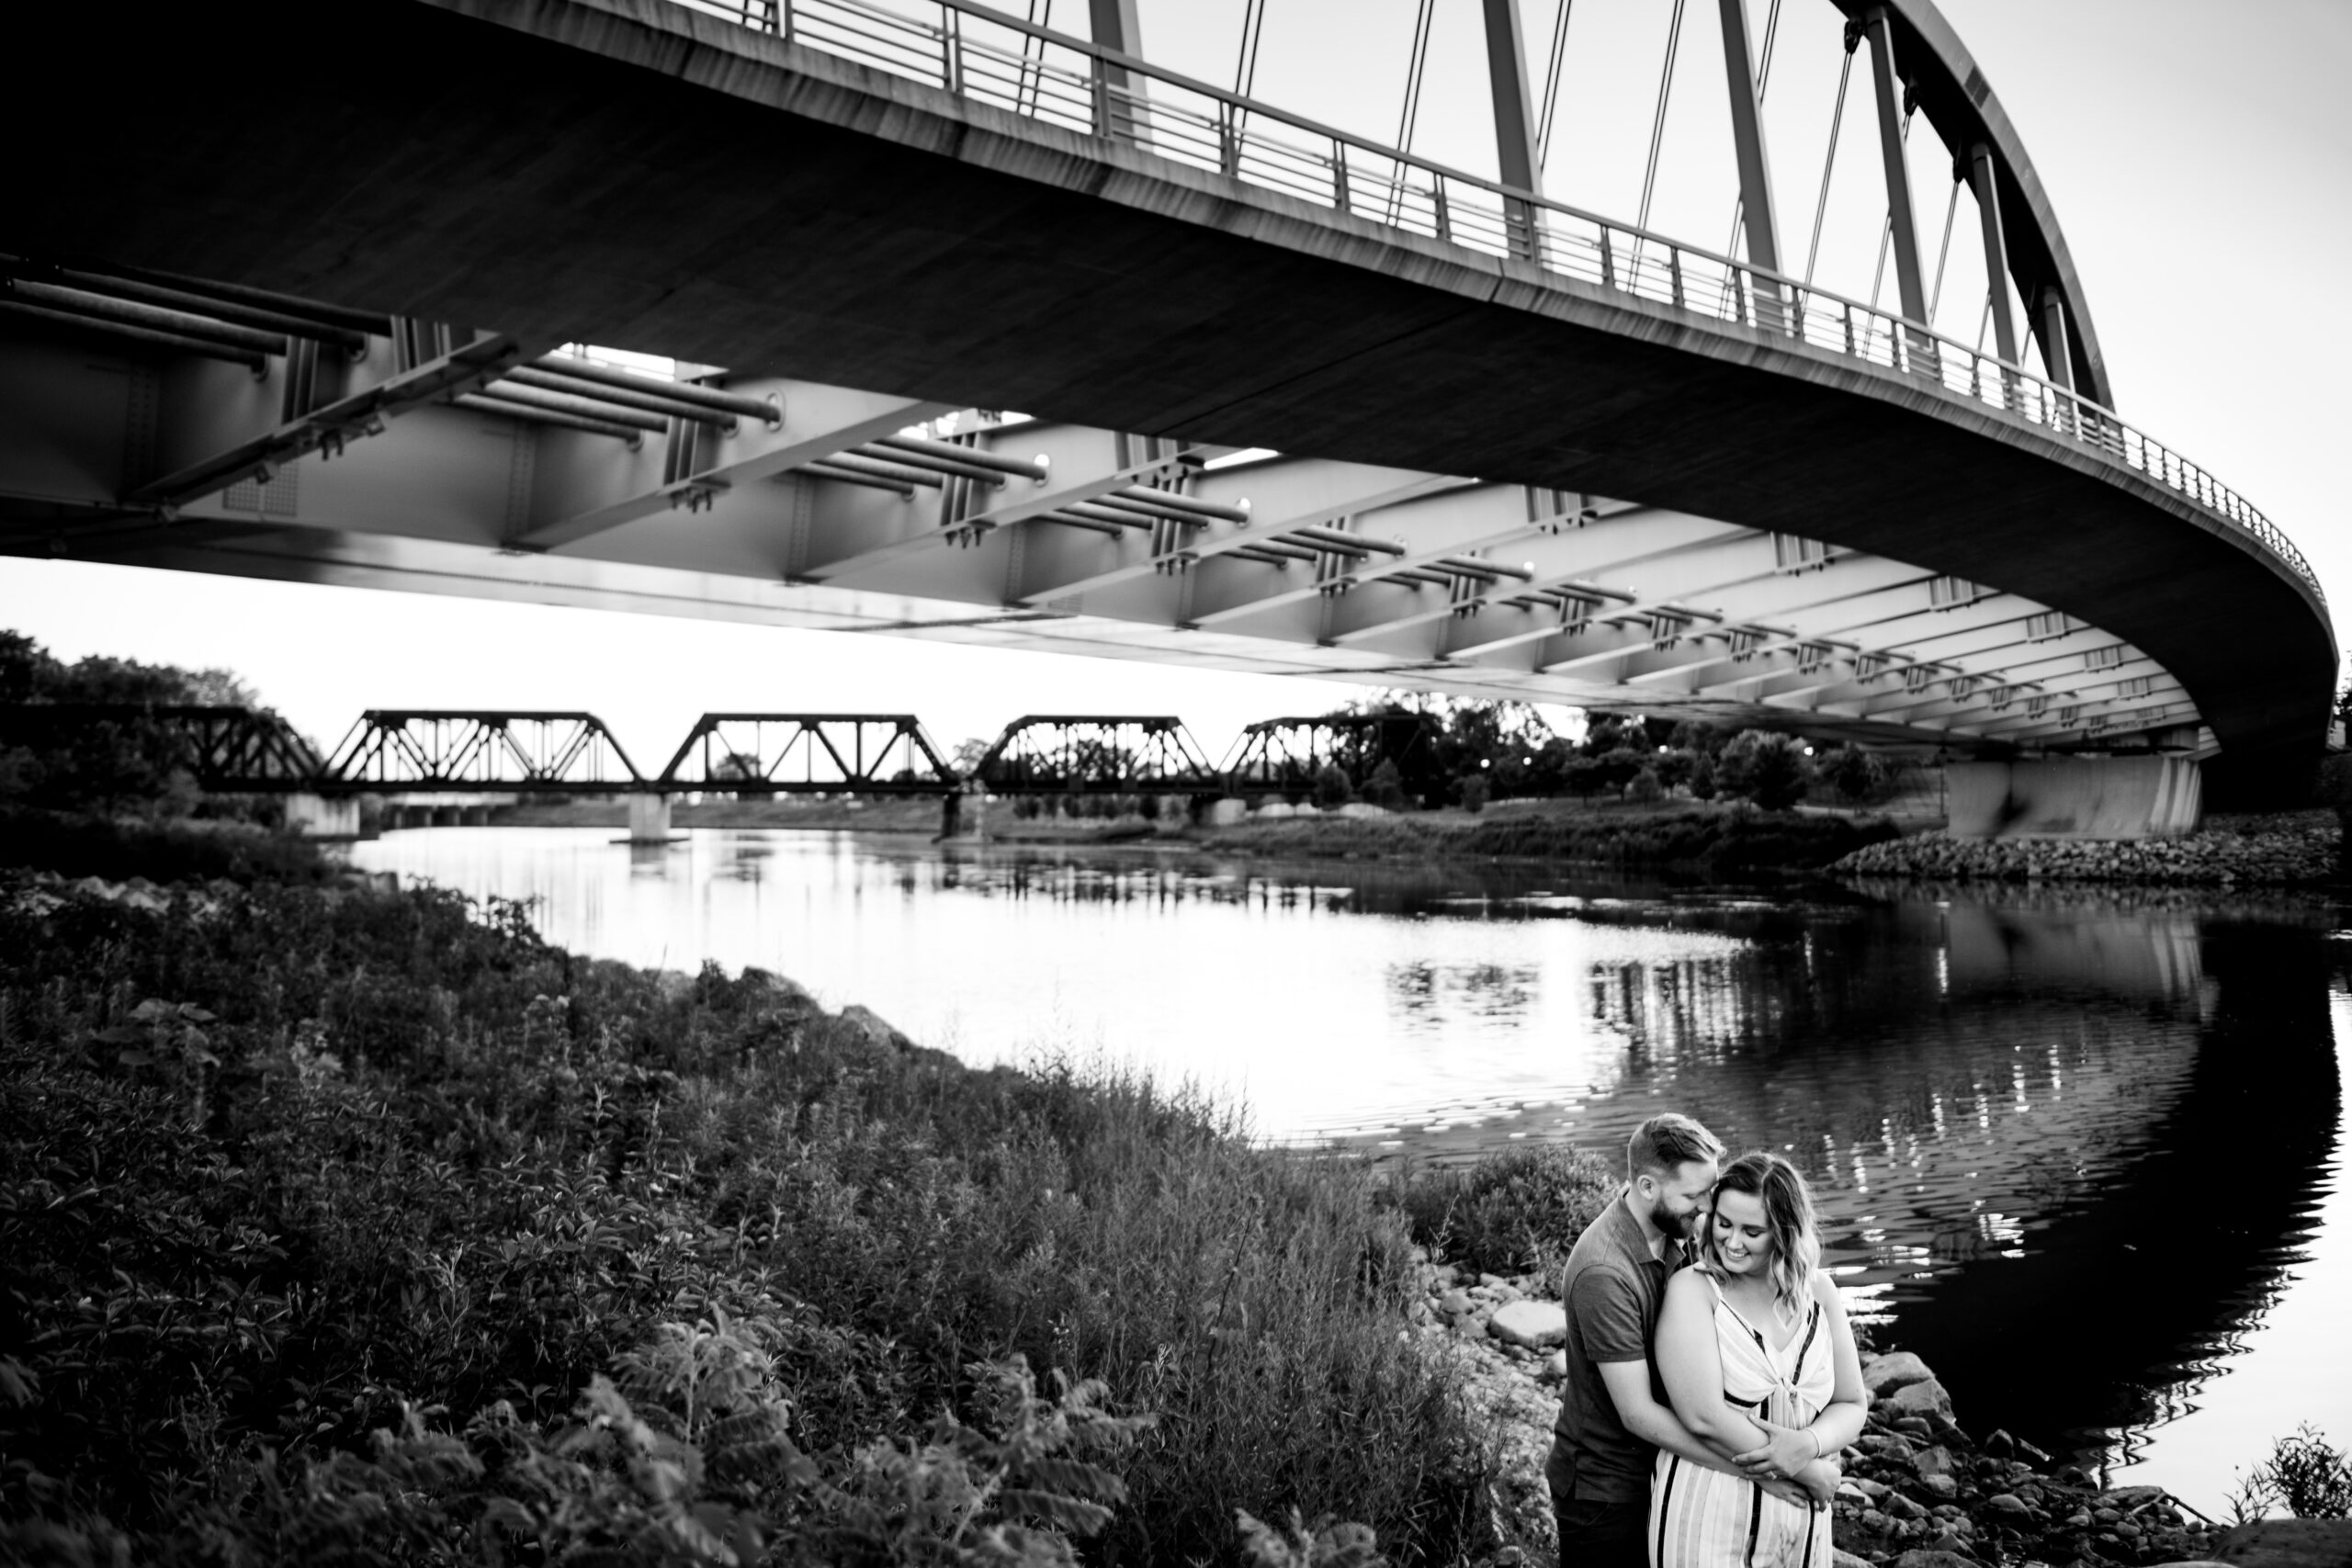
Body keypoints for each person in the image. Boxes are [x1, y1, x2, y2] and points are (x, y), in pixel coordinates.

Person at [1548, 1115, 1836, 1568]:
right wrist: (1770, 1473)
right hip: (1605, 1487)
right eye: (1693, 1196)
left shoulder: (1673, 1231)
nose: (1706, 1208)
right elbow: (1637, 1413)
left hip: (1665, 1467)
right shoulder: (1604, 1272)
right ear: (1646, 1187)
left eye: (1709, 1190)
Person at [1650, 1151, 1868, 1568]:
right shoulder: (1694, 1291)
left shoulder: (1820, 1292)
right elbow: (1702, 1417)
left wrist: (1809, 1445)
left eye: (1752, 1231)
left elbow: (1852, 1403)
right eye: (1724, 1223)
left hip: (1803, 1523)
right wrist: (1803, 1470)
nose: (1731, 1242)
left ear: (1784, 1233)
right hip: (1707, 1515)